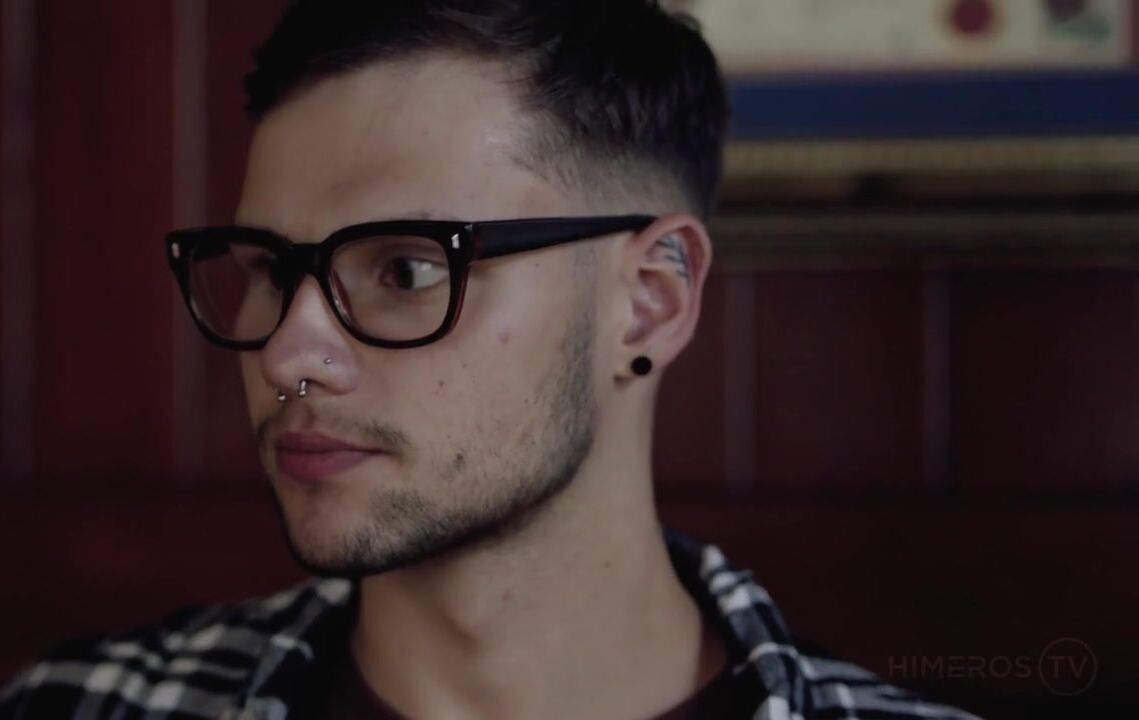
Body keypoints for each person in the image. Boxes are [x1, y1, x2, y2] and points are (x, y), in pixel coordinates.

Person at [1, 2, 981, 718]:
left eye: (405, 269)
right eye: (267, 268)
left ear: (648, 303)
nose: (289, 354)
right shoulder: (85, 707)